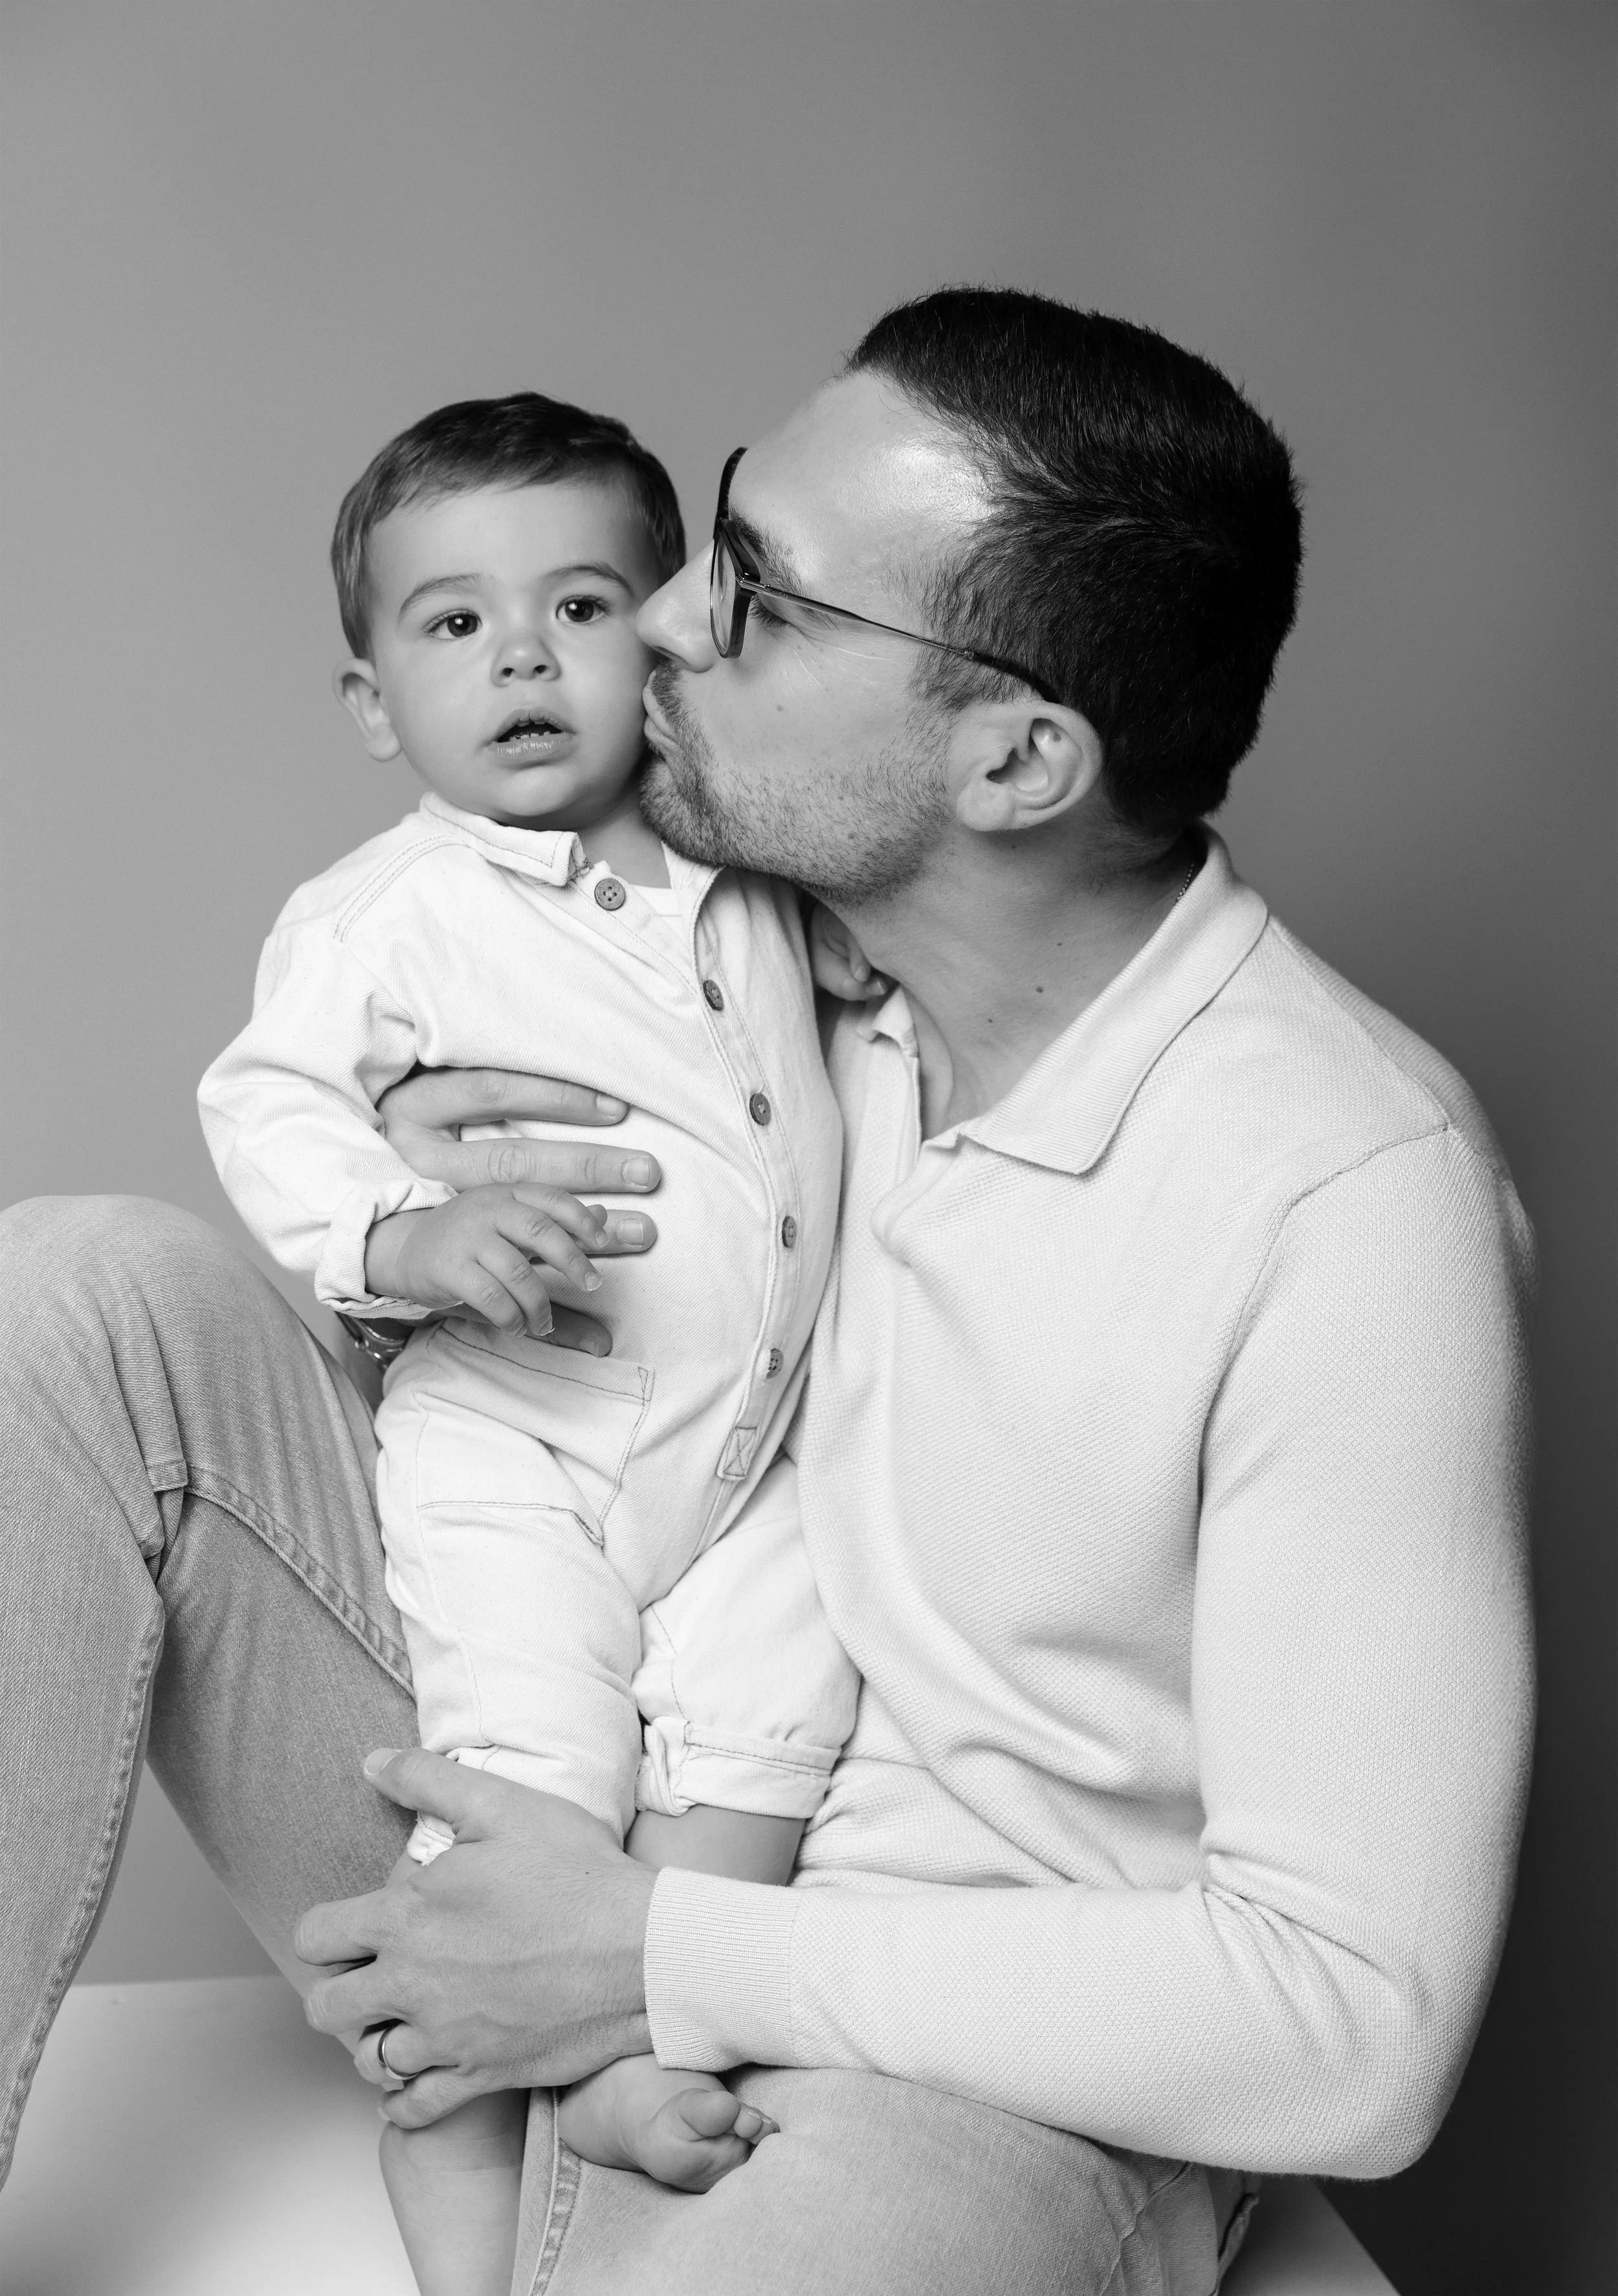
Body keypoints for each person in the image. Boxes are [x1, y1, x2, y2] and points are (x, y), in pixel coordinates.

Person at [0, 289, 1534, 2296]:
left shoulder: (1342, 1197)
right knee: (73, 1292)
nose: (661, 624)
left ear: (1011, 754)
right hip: (556, 1768)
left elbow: (1357, 2025)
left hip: (945, 2060)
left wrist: (654, 1951)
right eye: (715, 539)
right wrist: (414, 1258)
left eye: (766, 600)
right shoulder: (734, 954)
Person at [197, 390, 864, 2290]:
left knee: (765, 1745)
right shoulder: (388, 914)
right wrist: (408, 1227)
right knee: (522, 1795)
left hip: (757, 1448)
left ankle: (640, 2050)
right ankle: (468, 2219)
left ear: (662, 636)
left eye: (579, 605)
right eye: (454, 623)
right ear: (371, 701)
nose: (521, 655)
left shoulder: (756, 870)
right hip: (523, 1433)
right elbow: (273, 1105)